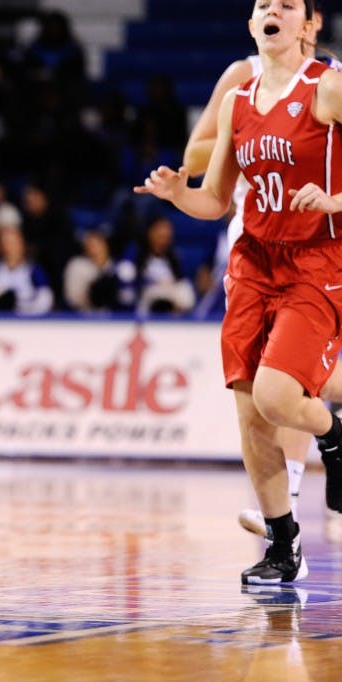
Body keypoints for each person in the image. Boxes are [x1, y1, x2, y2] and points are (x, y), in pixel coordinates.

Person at [135, 0, 342, 584]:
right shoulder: (236, 98)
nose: (273, 11)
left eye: (287, 5)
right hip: (254, 258)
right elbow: (216, 199)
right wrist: (179, 194)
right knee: (251, 410)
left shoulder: (327, 88)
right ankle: (283, 547)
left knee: (281, 396)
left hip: (315, 257)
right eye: (263, 5)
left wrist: (335, 201)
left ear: (308, 25)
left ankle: (335, 434)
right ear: (252, 25)